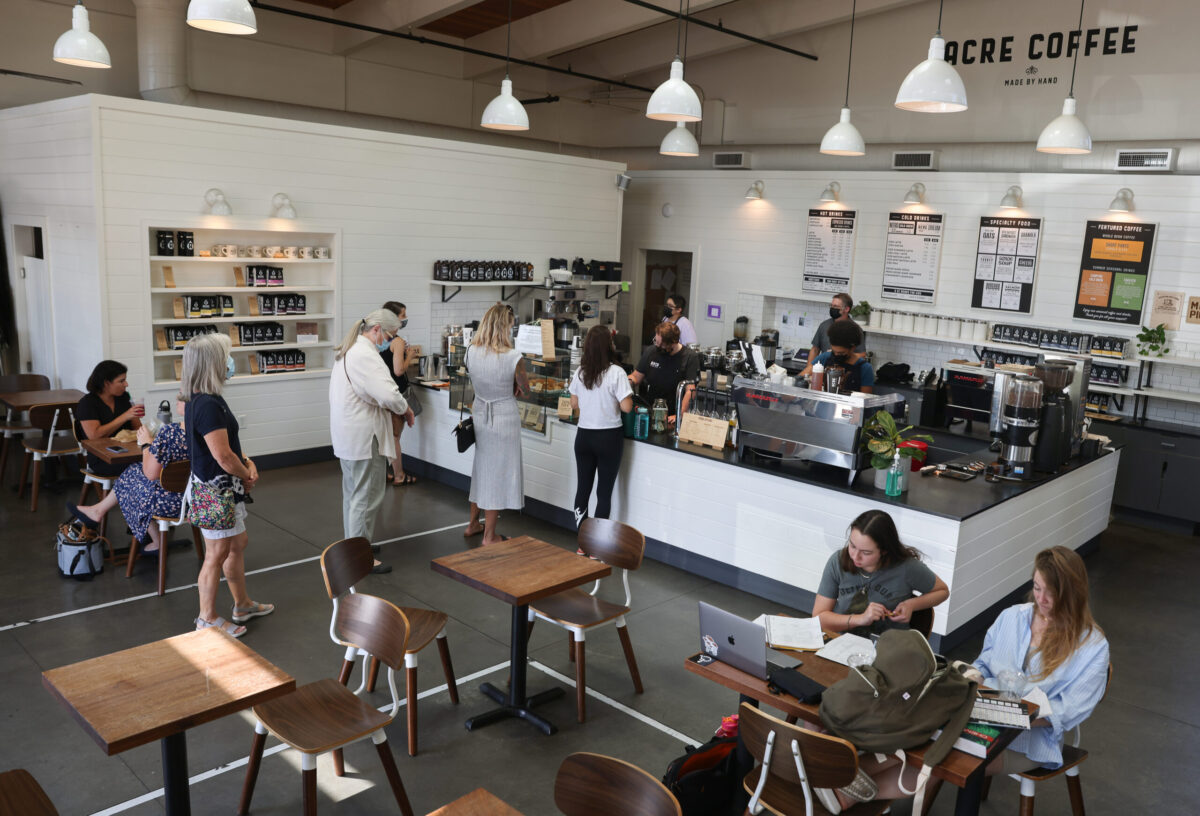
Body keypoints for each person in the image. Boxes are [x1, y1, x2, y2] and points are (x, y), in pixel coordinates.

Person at [847, 546, 1109, 811]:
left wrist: (1018, 716)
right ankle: (842, 778)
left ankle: (846, 789)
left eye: (1051, 593)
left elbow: (1071, 709)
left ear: (1074, 593)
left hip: (1029, 741)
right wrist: (973, 679)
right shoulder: (1013, 617)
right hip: (979, 712)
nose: (1041, 599)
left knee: (943, 754)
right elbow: (983, 663)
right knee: (920, 727)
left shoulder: (1092, 646)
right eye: (1037, 587)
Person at [181, 333, 272, 637]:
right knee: (217, 553)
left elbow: (227, 445)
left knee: (237, 543)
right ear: (213, 363)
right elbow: (221, 455)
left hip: (224, 488)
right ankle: (206, 617)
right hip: (214, 491)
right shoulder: (206, 404)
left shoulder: (206, 399)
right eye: (226, 356)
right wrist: (245, 473)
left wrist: (246, 462)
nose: (230, 362)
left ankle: (241, 603)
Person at [330, 308, 414, 574]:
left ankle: (356, 543)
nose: (391, 342)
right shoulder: (365, 355)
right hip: (364, 438)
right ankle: (359, 556)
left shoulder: (351, 349)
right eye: (391, 335)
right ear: (376, 330)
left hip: (351, 434)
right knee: (365, 497)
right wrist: (405, 408)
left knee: (354, 494)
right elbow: (388, 394)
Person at [68, 399, 188, 556]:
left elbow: (150, 473)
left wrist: (147, 443)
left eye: (182, 397)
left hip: (168, 504)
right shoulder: (202, 432)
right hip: (193, 500)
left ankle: (157, 541)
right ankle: (98, 511)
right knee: (133, 471)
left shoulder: (171, 432)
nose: (177, 400)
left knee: (130, 484)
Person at [812, 509, 948, 635]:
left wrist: (911, 605)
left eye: (866, 552)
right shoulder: (838, 561)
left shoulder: (907, 567)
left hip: (888, 645)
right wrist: (860, 619)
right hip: (841, 641)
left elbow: (942, 591)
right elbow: (818, 618)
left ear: (884, 551)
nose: (855, 556)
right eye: (852, 546)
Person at [463, 303, 528, 546]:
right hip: (504, 417)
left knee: (482, 469)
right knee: (497, 475)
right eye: (511, 326)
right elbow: (527, 389)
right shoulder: (513, 357)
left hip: (480, 412)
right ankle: (490, 536)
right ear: (504, 327)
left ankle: (472, 524)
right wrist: (514, 385)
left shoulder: (471, 350)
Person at [569, 326, 633, 528]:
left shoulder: (580, 371)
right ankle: (596, 546)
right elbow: (627, 407)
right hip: (608, 438)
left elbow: (574, 404)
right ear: (609, 346)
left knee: (583, 490)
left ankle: (582, 541)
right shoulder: (617, 373)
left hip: (584, 436)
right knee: (603, 494)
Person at [76, 360, 144, 478]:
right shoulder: (87, 403)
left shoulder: (123, 397)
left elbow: (138, 428)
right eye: (121, 381)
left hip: (127, 452)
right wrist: (124, 416)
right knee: (143, 468)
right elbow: (94, 435)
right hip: (102, 458)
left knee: (156, 461)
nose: (126, 384)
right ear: (106, 383)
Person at [381, 300, 420, 486]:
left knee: (385, 436)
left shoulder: (379, 338)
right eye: (403, 315)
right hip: (396, 391)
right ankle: (399, 475)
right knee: (395, 436)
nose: (405, 319)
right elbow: (398, 370)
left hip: (381, 391)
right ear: (393, 318)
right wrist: (410, 357)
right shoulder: (397, 341)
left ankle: (384, 472)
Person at [628, 322, 698, 426]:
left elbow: (690, 390)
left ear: (674, 343)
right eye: (656, 341)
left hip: (673, 414)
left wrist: (679, 414)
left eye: (662, 345)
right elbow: (636, 376)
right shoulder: (651, 351)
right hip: (650, 410)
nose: (658, 346)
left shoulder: (689, 357)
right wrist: (627, 381)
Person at [805, 320, 874, 394]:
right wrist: (809, 380)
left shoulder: (865, 368)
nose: (836, 355)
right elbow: (802, 377)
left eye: (841, 353)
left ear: (853, 348)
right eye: (834, 351)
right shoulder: (824, 357)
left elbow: (865, 399)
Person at [804, 292, 864, 368]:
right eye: (831, 305)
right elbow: (815, 350)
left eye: (835, 306)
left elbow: (862, 355)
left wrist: (840, 355)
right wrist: (809, 369)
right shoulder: (824, 325)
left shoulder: (855, 329)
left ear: (846, 309)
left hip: (846, 372)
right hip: (823, 370)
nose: (832, 308)